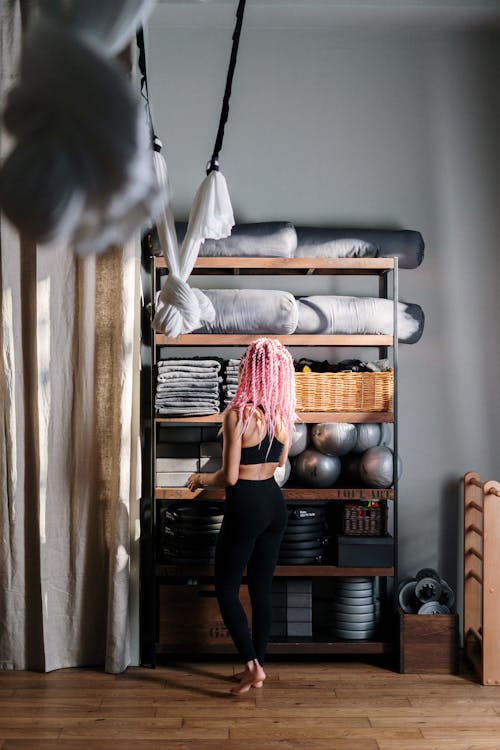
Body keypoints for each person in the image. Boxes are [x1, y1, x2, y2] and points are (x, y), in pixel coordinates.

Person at [187, 337, 296, 695]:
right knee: (261, 587)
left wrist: (202, 478)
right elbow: (279, 464)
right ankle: (258, 665)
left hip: (246, 504)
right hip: (273, 503)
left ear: (249, 369)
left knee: (227, 589)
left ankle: (251, 666)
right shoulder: (283, 417)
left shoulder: (238, 415)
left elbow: (230, 477)